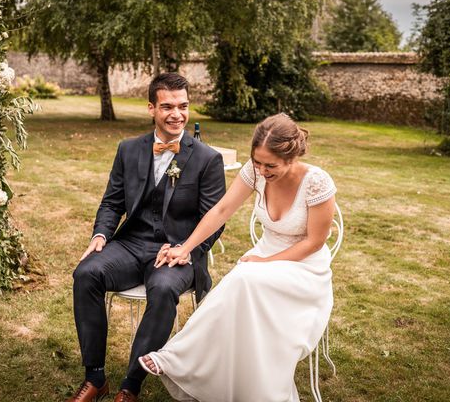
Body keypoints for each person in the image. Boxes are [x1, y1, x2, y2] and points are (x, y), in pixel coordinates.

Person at [139, 113, 337, 402]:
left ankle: (175, 357)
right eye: (257, 162)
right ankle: (185, 362)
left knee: (243, 277)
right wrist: (185, 247)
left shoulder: (317, 182)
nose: (262, 171)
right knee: (243, 281)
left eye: (271, 165)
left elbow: (315, 242)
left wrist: (266, 263)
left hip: (304, 269)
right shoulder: (254, 171)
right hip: (262, 258)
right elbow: (220, 211)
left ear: (291, 158)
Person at [67, 73, 226, 402]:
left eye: (183, 106)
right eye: (167, 106)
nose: (177, 114)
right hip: (131, 243)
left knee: (164, 286)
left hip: (178, 251)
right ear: (151, 108)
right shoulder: (128, 149)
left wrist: (185, 248)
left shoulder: (208, 158)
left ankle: (130, 385)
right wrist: (100, 234)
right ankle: (95, 378)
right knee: (86, 273)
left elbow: (214, 220)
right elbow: (113, 202)